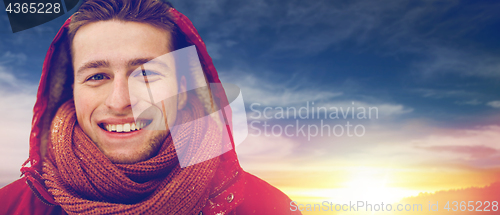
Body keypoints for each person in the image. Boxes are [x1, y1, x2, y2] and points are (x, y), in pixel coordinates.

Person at [0, 0, 300, 214]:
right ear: (71, 91)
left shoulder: (268, 209)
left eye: (146, 74)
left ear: (184, 88)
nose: (120, 100)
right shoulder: (9, 207)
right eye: (97, 76)